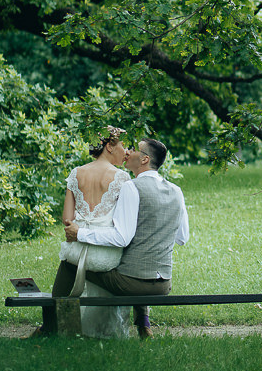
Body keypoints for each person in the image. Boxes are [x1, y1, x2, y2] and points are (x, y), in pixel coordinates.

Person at [60, 137, 190, 340]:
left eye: (134, 149)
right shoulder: (176, 191)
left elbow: (121, 238)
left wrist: (80, 234)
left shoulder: (132, 187)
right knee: (134, 262)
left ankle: (48, 326)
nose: (127, 152)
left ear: (145, 159)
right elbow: (182, 237)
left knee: (70, 264)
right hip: (164, 284)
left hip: (131, 284)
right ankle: (144, 324)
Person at [51, 126, 132, 338]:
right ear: (109, 146)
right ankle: (100, 328)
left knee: (69, 262)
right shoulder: (122, 178)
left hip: (76, 252)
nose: (126, 151)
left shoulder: (76, 173)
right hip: (105, 255)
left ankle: (54, 325)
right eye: (124, 145)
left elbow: (67, 219)